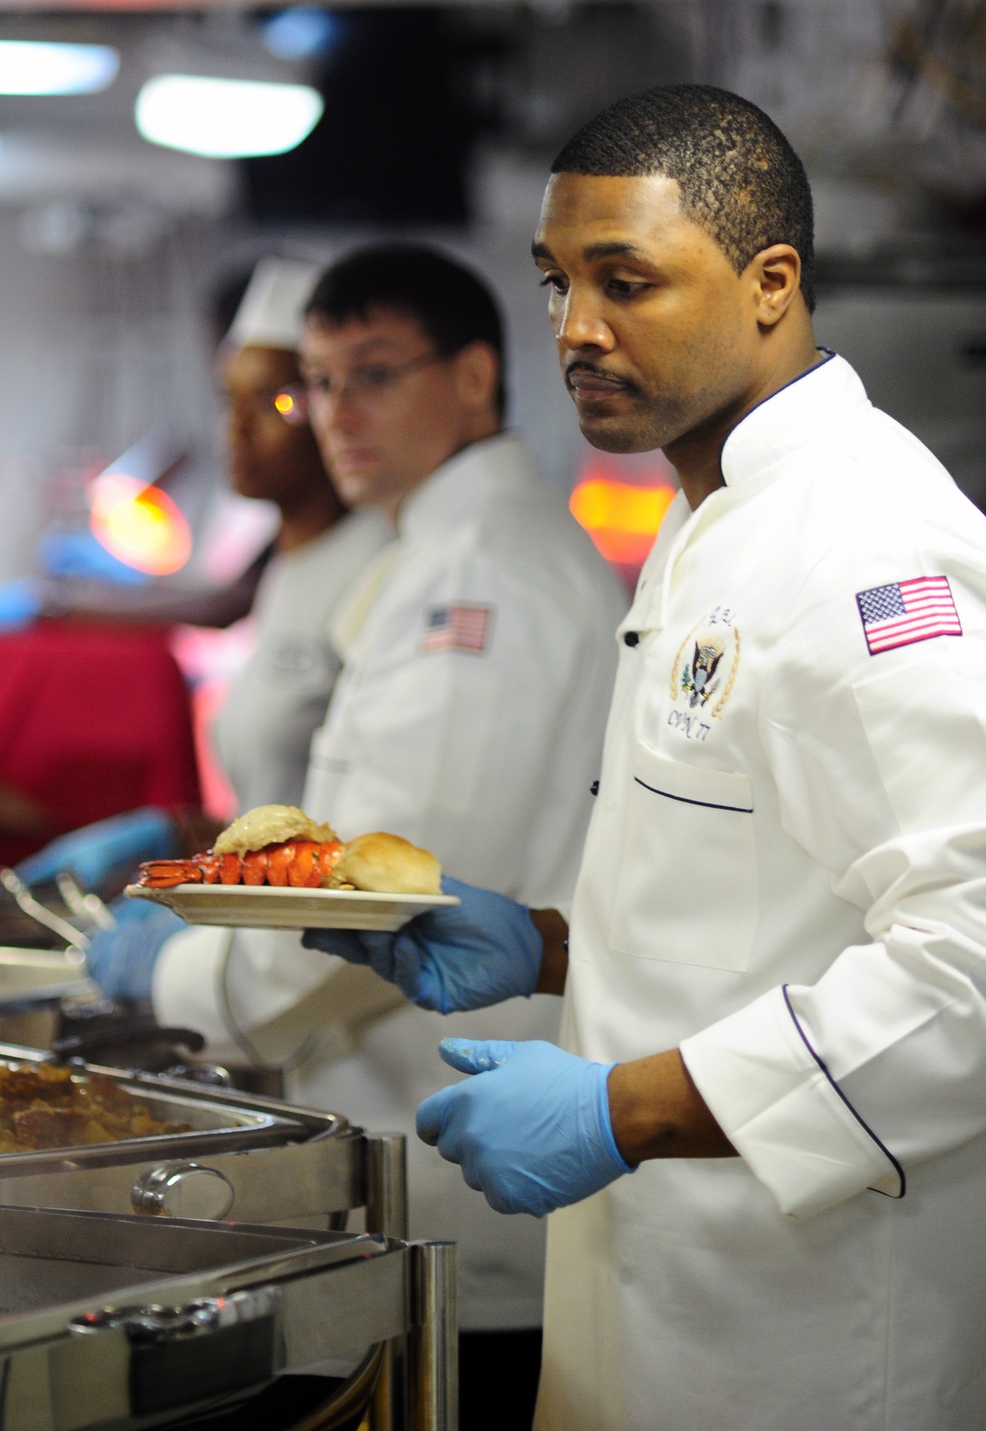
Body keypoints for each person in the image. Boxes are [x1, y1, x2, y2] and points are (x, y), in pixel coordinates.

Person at [305, 89, 986, 1431]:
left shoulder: (863, 546)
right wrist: (555, 947)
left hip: (806, 1341)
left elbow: (969, 965)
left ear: (770, 283)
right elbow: (767, 900)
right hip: (668, 1304)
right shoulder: (713, 512)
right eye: (558, 283)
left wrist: (627, 1107)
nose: (575, 329)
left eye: (628, 281)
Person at [146, 245, 627, 1429]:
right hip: (410, 1140)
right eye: (318, 382)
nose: (334, 416)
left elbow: (380, 887)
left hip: (457, 1166)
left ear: (473, 379)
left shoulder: (476, 577)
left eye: (372, 374)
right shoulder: (437, 552)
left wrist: (169, 981)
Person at [20, 258, 390, 889]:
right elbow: (277, 803)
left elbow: (368, 836)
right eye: (228, 400)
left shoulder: (379, 572)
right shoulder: (292, 564)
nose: (237, 431)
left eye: (276, 401)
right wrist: (181, 836)